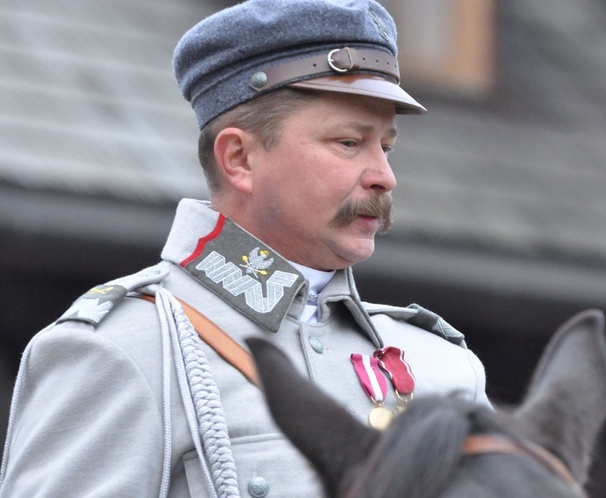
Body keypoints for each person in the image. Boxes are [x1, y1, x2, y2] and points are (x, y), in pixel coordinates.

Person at [0, 1, 490, 496]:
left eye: (385, 147)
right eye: (348, 143)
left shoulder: (441, 366)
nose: (384, 176)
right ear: (239, 159)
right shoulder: (123, 351)